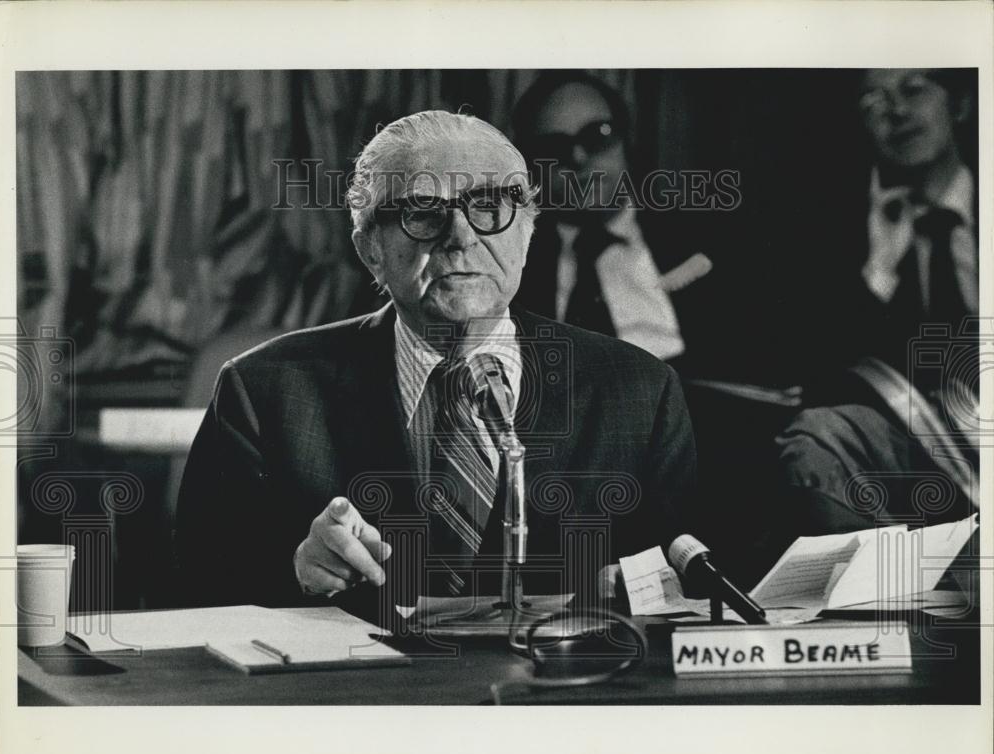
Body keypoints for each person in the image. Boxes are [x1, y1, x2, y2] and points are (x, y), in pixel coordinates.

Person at [175, 109, 697, 611]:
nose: (461, 237)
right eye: (422, 212)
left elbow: (687, 582)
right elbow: (192, 588)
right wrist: (296, 569)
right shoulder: (263, 391)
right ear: (369, 248)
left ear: (528, 231)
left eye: (491, 207)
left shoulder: (640, 393)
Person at [776, 68, 978, 534]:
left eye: (913, 89)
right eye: (873, 102)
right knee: (816, 436)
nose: (897, 113)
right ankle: (883, 592)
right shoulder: (839, 225)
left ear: (960, 105)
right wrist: (879, 270)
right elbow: (823, 374)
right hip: (911, 447)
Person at [511, 71, 717, 375]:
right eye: (554, 147)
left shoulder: (701, 238)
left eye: (598, 135)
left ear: (627, 140)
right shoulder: (517, 263)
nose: (578, 157)